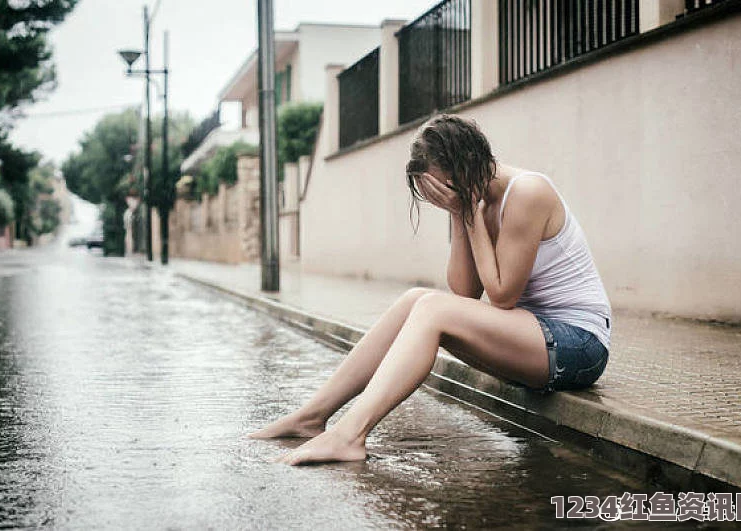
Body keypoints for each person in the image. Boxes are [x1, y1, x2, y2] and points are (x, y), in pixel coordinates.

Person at [249, 114, 612, 465]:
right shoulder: (476, 202)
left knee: (432, 308)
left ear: (467, 164)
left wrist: (467, 210)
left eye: (444, 188)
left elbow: (501, 296)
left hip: (578, 345)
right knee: (417, 300)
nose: (444, 198)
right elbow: (465, 293)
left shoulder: (528, 193)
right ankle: (312, 416)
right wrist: (459, 214)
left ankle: (350, 435)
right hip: (535, 338)